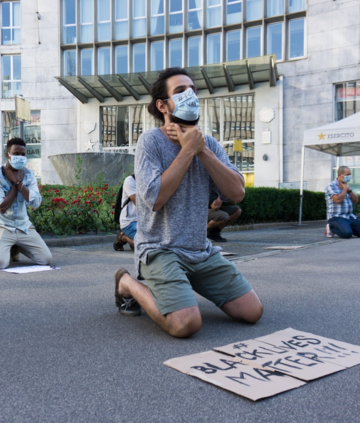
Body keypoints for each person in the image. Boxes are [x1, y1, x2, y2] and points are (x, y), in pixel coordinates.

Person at [113, 67, 263, 337]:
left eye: (193, 90)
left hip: (200, 250)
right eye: (180, 91)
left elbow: (237, 193)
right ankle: (127, 283)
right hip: (159, 250)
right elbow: (155, 199)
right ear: (162, 105)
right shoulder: (150, 142)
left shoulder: (210, 145)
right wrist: (187, 150)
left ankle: (180, 286)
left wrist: (201, 149)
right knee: (185, 324)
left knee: (252, 311)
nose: (190, 95)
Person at [0, 137, 52, 270]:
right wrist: (16, 184)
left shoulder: (29, 175)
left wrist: (18, 183)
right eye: (16, 153)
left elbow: (36, 203)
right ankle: (5, 245)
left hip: (24, 227)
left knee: (45, 259)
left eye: (23, 154)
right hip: (2, 226)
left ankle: (16, 245)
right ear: (8, 155)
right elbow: (2, 207)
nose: (20, 157)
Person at [325, 166, 360, 239]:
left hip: (349, 216)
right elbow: (338, 200)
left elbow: (355, 201)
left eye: (350, 174)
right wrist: (345, 189)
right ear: (340, 175)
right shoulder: (331, 186)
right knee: (347, 234)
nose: (349, 176)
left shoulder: (347, 186)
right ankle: (330, 227)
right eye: (347, 174)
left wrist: (349, 190)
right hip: (337, 216)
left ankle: (346, 227)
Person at [114, 174, 137, 251]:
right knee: (146, 246)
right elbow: (139, 205)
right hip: (130, 222)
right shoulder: (130, 180)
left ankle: (134, 242)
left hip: (143, 223)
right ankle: (124, 237)